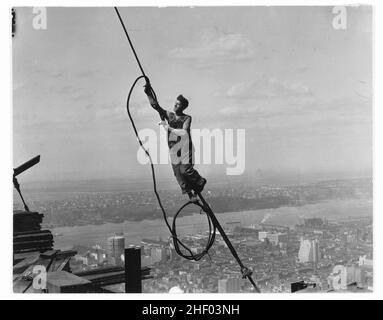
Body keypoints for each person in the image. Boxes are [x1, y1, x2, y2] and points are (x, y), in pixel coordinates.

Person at [144, 83, 206, 202]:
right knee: (178, 174)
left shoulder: (187, 118)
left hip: (185, 148)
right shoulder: (169, 115)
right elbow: (155, 106)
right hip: (173, 149)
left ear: (182, 107)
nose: (175, 105)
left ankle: (200, 181)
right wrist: (148, 93)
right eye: (175, 103)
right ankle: (191, 195)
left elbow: (184, 132)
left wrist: (168, 128)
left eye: (178, 104)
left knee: (185, 170)